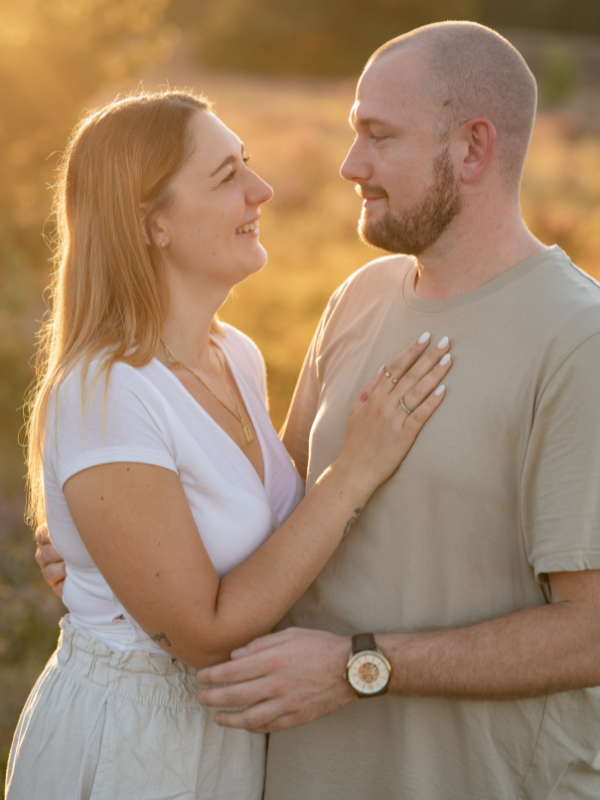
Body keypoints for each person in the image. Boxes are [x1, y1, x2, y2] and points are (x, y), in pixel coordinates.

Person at [191, 22, 600, 800]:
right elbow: (283, 515)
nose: (350, 165)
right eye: (354, 134)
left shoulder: (580, 341)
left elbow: (593, 631)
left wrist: (360, 668)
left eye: (379, 136)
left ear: (473, 149)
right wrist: (119, 544)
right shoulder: (359, 298)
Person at [6, 89, 452, 800]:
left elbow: (237, 526)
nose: (262, 189)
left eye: (246, 162)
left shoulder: (233, 355)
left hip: (229, 738)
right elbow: (204, 633)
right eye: (225, 177)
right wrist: (354, 471)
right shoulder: (107, 394)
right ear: (152, 224)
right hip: (135, 746)